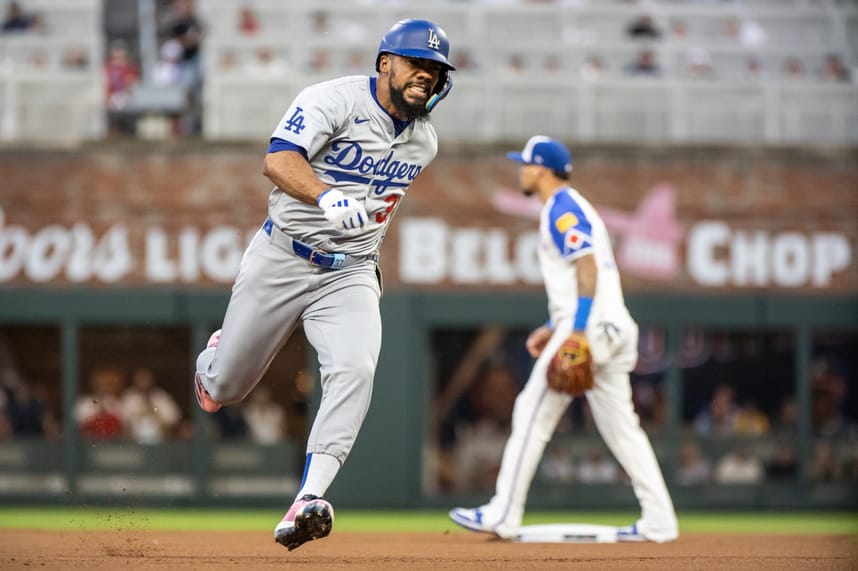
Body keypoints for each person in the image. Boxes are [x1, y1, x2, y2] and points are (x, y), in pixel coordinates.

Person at [192, 19, 455, 551]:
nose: (425, 76)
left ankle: (307, 499)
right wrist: (328, 196)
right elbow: (278, 160)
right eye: (415, 64)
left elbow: (379, 206)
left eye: (434, 70)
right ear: (385, 63)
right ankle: (212, 362)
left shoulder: (424, 142)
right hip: (283, 255)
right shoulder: (332, 100)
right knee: (226, 388)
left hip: (351, 270)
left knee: (355, 368)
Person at [449, 136, 678, 543]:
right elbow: (590, 276)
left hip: (589, 327)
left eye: (525, 164)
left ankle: (503, 513)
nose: (521, 169)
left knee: (530, 412)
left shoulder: (562, 207)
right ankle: (660, 519)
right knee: (622, 428)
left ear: (540, 168)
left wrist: (574, 329)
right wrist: (556, 325)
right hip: (612, 326)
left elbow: (586, 265)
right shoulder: (571, 206)